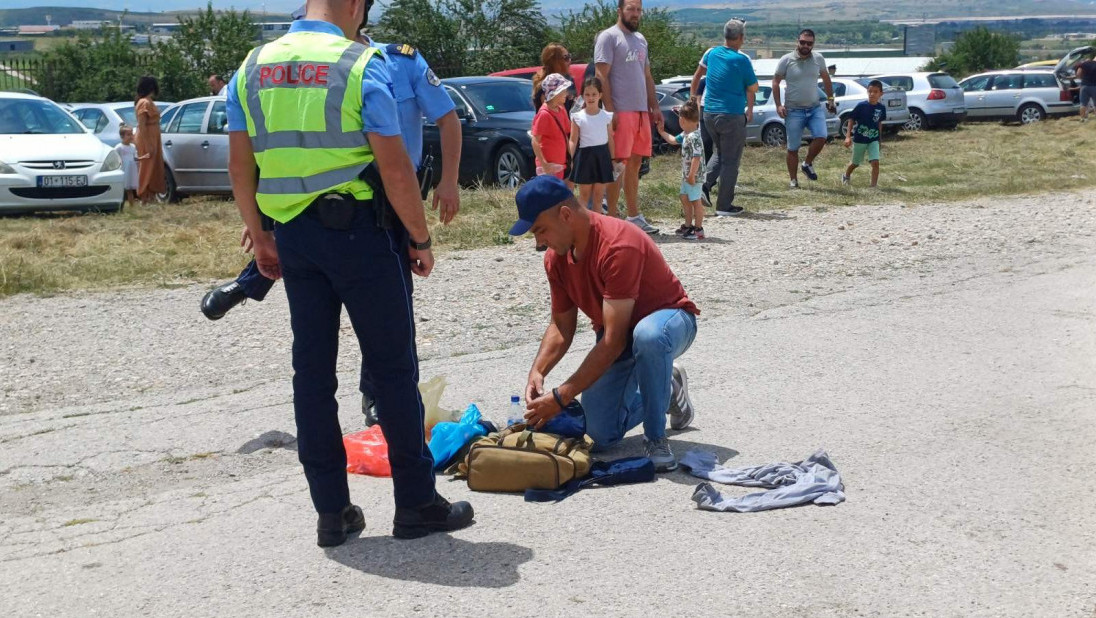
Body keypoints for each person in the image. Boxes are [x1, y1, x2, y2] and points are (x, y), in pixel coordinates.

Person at [224, 0, 473, 546]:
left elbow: (240, 162)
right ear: (358, 5)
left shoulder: (252, 66)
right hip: (362, 234)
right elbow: (394, 167)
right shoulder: (359, 64)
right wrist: (419, 238)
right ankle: (415, 504)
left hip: (293, 238)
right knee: (392, 371)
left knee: (312, 379)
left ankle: (332, 514)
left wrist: (260, 232)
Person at [510, 175, 700, 472]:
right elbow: (561, 326)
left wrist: (561, 397)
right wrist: (538, 371)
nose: (539, 242)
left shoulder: (618, 245)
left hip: (669, 323)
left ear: (565, 215)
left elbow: (612, 341)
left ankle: (656, 437)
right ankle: (669, 389)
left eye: (540, 230)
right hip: (621, 336)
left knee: (647, 337)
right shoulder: (555, 259)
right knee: (599, 434)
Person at [595, 0, 662, 234]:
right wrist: (610, 109)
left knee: (634, 165)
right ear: (620, 11)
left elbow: (647, 75)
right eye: (631, 9)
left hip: (641, 111)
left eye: (638, 10)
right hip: (621, 111)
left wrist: (654, 106)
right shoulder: (608, 37)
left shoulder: (641, 39)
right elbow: (601, 76)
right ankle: (612, 219)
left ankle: (634, 216)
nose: (635, 14)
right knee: (618, 165)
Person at [691, 18, 757, 217]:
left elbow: (698, 75)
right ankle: (724, 205)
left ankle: (702, 187)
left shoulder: (712, 53)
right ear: (741, 38)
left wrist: (693, 99)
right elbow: (753, 87)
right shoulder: (741, 60)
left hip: (709, 112)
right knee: (731, 161)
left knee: (719, 154)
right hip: (731, 114)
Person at [772, 29, 836, 189]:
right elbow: (775, 82)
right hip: (793, 111)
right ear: (797, 41)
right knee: (793, 148)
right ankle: (793, 181)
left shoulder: (818, 59)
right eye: (803, 42)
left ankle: (807, 163)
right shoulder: (786, 60)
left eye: (809, 43)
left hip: (814, 108)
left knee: (821, 136)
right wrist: (778, 105)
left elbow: (827, 79)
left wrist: (831, 99)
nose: (806, 45)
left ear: (813, 44)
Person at [657, 99, 705, 240]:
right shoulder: (686, 135)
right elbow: (672, 140)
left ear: (682, 120)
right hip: (686, 175)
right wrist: (661, 132)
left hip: (694, 176)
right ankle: (688, 225)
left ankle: (698, 229)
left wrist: (692, 175)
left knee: (696, 201)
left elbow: (697, 157)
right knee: (684, 197)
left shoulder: (695, 137)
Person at [569, 76, 615, 210]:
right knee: (584, 195)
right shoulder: (577, 117)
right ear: (582, 95)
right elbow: (573, 140)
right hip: (585, 157)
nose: (591, 97)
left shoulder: (606, 116)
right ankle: (583, 225)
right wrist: (569, 159)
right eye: (587, 94)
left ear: (600, 95)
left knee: (599, 196)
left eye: (594, 94)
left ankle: (597, 227)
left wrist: (612, 159)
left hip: (602, 157)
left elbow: (610, 138)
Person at [842, 79, 886, 188]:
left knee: (875, 162)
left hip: (873, 139)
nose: (872, 94)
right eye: (870, 91)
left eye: (875, 92)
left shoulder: (881, 108)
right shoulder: (861, 106)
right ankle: (846, 175)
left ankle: (873, 186)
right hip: (860, 139)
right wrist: (848, 136)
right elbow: (851, 119)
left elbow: (879, 123)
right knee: (855, 163)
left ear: (881, 94)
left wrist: (880, 139)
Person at [531, 73, 572, 182]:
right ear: (556, 93)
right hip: (548, 168)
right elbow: (535, 141)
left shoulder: (561, 109)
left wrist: (571, 158)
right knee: (551, 198)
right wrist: (544, 164)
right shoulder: (544, 114)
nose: (566, 94)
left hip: (560, 164)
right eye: (564, 91)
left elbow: (566, 134)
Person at [134, 76, 165, 204]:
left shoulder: (149, 101)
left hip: (154, 135)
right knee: (147, 165)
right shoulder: (144, 103)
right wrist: (148, 144)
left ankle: (152, 194)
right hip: (147, 137)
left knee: (155, 166)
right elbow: (142, 125)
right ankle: (144, 195)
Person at [532, 43, 574, 111]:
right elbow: (552, 114)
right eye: (566, 58)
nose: (570, 60)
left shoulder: (567, 81)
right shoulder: (547, 86)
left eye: (569, 56)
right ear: (555, 62)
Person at [114, 125, 139, 209]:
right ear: (122, 136)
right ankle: (120, 206)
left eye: (131, 134)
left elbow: (135, 157)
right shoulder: (119, 147)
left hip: (131, 170)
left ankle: (132, 206)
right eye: (128, 134)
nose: (131, 136)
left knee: (130, 189)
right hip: (123, 170)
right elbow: (115, 158)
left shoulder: (133, 147)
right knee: (122, 189)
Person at [1076, 58, 1096, 123]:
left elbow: (1078, 74)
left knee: (1083, 104)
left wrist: (1083, 79)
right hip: (1094, 86)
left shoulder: (1084, 63)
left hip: (1084, 86)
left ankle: (1082, 119)